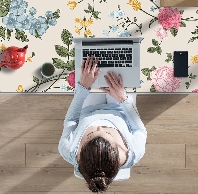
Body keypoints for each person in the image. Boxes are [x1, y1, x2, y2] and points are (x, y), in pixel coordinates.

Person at [59, 55, 147, 192]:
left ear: (80, 152)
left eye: (91, 134)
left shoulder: (68, 150)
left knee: (88, 69)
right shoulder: (135, 152)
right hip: (120, 108)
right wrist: (123, 99)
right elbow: (139, 130)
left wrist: (83, 87)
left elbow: (71, 120)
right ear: (119, 150)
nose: (99, 126)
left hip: (88, 108)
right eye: (107, 133)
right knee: (124, 64)